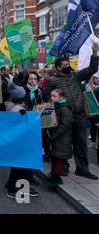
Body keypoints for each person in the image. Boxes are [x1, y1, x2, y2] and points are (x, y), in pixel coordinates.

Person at [44, 42, 99, 180]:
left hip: (79, 116)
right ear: (57, 68)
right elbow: (47, 99)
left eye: (68, 64)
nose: (68, 67)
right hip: (63, 118)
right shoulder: (52, 81)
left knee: (81, 144)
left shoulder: (75, 76)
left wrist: (94, 54)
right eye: (65, 66)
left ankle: (82, 169)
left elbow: (91, 69)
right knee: (63, 145)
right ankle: (61, 170)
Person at [5, 82, 39, 199]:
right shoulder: (19, 110)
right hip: (20, 142)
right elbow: (23, 126)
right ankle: (15, 190)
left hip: (16, 142)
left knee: (17, 166)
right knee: (23, 166)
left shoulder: (12, 106)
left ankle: (11, 186)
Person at [48, 89, 73, 187]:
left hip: (62, 138)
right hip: (56, 137)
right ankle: (54, 176)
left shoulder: (64, 109)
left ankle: (55, 178)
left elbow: (65, 125)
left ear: (61, 97)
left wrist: (53, 136)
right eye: (51, 96)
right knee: (55, 157)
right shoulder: (56, 106)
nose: (52, 98)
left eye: (54, 96)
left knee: (58, 159)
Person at [85, 76, 99, 148]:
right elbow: (88, 98)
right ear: (92, 79)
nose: (97, 79)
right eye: (96, 78)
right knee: (93, 127)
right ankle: (93, 142)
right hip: (93, 110)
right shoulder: (88, 86)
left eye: (98, 78)